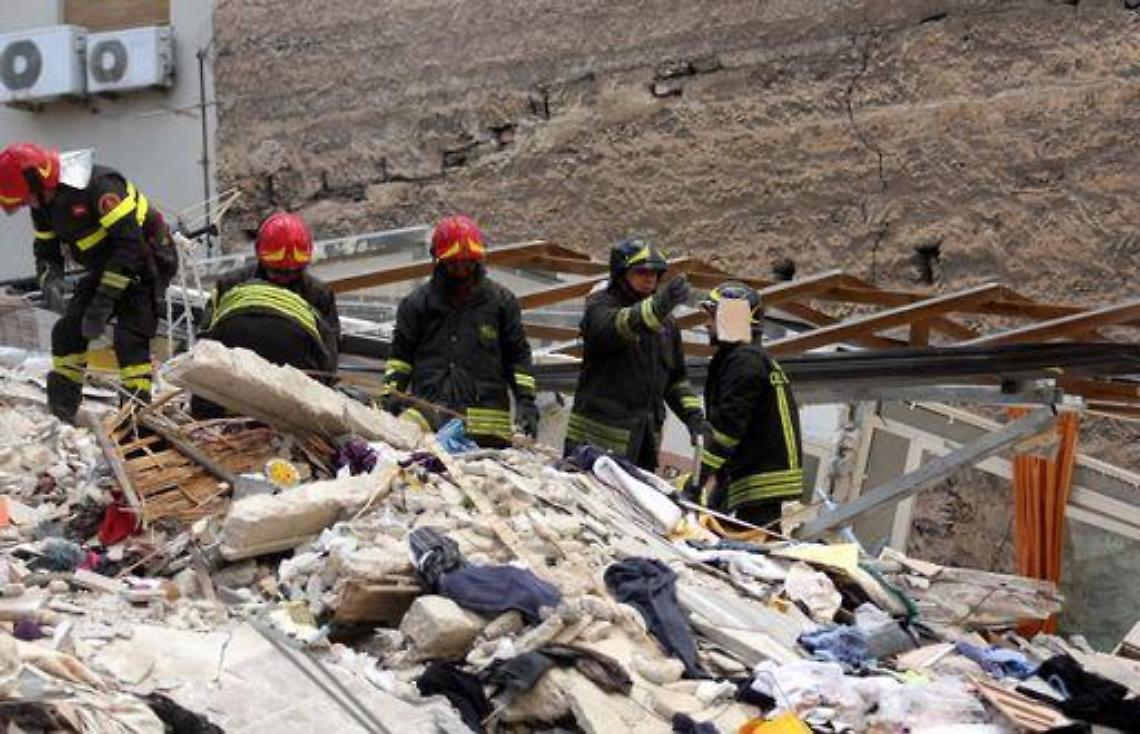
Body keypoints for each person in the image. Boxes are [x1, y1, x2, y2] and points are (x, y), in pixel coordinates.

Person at [0, 142, 177, 423]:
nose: (25, 205)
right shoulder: (43, 205)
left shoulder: (101, 187)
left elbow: (130, 248)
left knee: (129, 339)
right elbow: (46, 252)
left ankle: (137, 422)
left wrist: (102, 305)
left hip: (147, 259)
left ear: (39, 181)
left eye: (24, 198)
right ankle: (61, 416)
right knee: (67, 332)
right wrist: (51, 282)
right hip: (105, 265)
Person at [382, 214, 538, 445]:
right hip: (431, 420)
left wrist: (526, 403)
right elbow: (400, 359)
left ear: (479, 261)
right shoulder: (417, 304)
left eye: (468, 263)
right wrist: (391, 396)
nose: (461, 271)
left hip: (488, 430)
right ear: (438, 260)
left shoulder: (501, 303)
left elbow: (518, 358)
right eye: (453, 264)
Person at [564, 237, 705, 471]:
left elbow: (675, 380)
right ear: (621, 274)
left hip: (645, 445)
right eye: (641, 271)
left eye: (656, 272)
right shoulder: (601, 305)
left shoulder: (667, 325)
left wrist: (694, 418)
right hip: (596, 445)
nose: (650, 277)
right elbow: (617, 327)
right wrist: (659, 306)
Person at [191, 211, 339, 418]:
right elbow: (205, 341)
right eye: (277, 271)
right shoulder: (230, 285)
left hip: (292, 391)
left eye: (293, 272)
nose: (284, 279)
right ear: (260, 255)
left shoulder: (318, 294)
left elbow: (330, 354)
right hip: (234, 383)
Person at [689, 281, 804, 526]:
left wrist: (697, 480)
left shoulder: (744, 362)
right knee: (720, 528)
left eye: (712, 316)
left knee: (749, 543)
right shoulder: (746, 357)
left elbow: (726, 431)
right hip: (756, 472)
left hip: (761, 477)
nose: (706, 324)